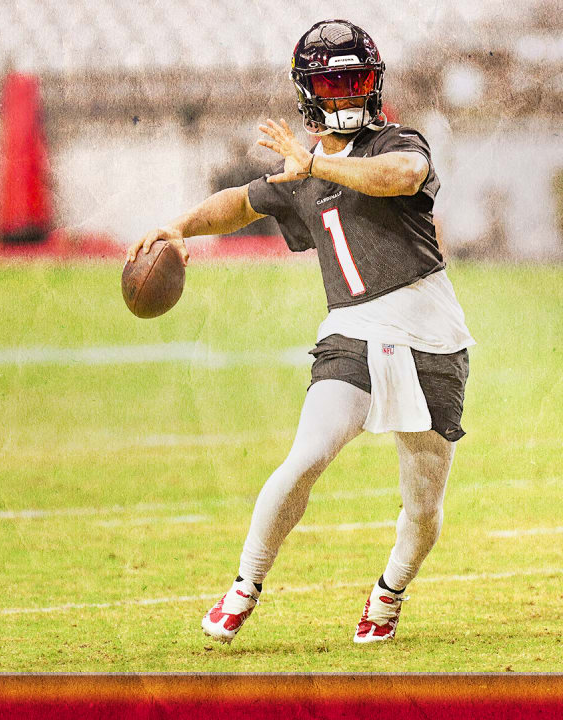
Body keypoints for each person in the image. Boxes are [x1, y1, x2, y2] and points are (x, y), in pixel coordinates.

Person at [127, 19, 475, 644]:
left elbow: (397, 177)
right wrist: (177, 224)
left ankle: (389, 590)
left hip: (430, 335)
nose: (343, 97)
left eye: (354, 82)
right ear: (309, 92)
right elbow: (238, 202)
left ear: (373, 85)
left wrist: (316, 165)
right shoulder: (301, 169)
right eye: (330, 84)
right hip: (354, 328)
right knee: (307, 455)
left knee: (422, 506)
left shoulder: (396, 142)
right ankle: (244, 584)